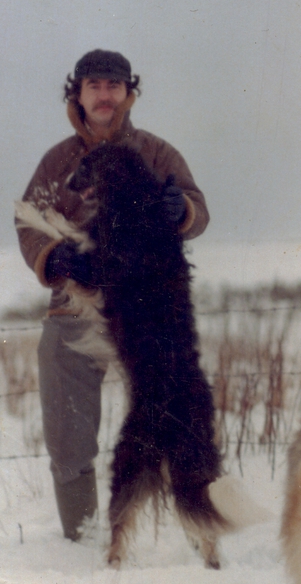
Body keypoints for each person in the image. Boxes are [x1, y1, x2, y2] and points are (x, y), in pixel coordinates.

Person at [16, 49, 210, 541]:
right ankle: (80, 537)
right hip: (75, 307)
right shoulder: (56, 162)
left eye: (113, 85)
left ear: (128, 92)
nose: (104, 94)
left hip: (143, 311)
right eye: (94, 85)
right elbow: (27, 220)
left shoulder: (158, 153)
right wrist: (54, 258)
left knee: (175, 410)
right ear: (77, 93)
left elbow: (199, 211)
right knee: (67, 430)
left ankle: (194, 518)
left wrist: (180, 208)